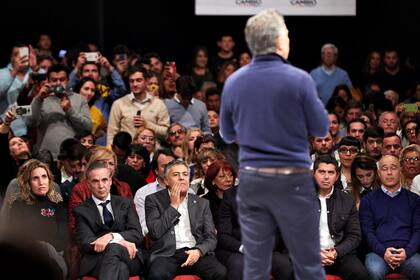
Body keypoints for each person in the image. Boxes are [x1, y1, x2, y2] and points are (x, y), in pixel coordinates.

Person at [219, 9, 329, 280]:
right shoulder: (300, 79)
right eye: (288, 35)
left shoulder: (233, 81)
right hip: (293, 181)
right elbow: (321, 128)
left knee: (255, 266)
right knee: (307, 264)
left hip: (254, 181)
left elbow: (227, 133)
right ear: (280, 41)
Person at [145, 159, 227, 279]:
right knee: (157, 275)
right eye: (175, 175)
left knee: (220, 272)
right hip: (167, 255)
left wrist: (199, 251)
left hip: (195, 252)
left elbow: (211, 237)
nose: (182, 178)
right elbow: (155, 232)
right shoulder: (153, 200)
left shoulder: (201, 203)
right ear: (167, 181)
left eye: (185, 174)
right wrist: (173, 206)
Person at [73, 160, 144, 279]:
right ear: (88, 184)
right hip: (97, 260)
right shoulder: (81, 210)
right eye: (95, 181)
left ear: (110, 181)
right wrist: (119, 241)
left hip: (129, 255)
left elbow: (137, 234)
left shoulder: (125, 204)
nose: (101, 185)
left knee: (115, 251)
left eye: (104, 180)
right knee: (121, 268)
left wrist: (110, 237)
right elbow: (87, 242)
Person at [359, 155, 420, 279]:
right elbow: (367, 232)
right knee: (374, 270)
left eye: (393, 168)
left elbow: (418, 230)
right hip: (378, 253)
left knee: (418, 266)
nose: (389, 172)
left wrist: (406, 252)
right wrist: (383, 252)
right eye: (385, 168)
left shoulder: (414, 199)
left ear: (401, 170)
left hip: (407, 253)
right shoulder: (368, 200)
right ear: (378, 173)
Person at [6, 159, 68, 279]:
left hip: (55, 253)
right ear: (28, 182)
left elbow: (63, 232)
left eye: (44, 177)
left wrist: (50, 247)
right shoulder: (18, 204)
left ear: (49, 179)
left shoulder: (56, 200)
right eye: (35, 178)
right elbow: (18, 237)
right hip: (29, 257)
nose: (41, 182)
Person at [218, 184, 294, 280]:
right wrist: (243, 248)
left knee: (284, 265)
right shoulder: (230, 195)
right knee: (240, 265)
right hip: (237, 249)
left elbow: (277, 231)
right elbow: (223, 234)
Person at [313, 155, 370, 280]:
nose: (326, 177)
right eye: (322, 172)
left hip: (339, 254)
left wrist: (336, 252)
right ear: (314, 173)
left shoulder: (346, 200)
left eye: (331, 172)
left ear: (337, 176)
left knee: (360, 274)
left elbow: (354, 235)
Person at [25, 64, 92, 159]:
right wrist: (39, 99)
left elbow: (88, 127)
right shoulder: (40, 99)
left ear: (68, 80)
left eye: (62, 79)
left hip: (73, 157)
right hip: (46, 157)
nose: (58, 83)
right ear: (48, 81)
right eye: (54, 80)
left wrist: (69, 110)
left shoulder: (80, 99)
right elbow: (30, 123)